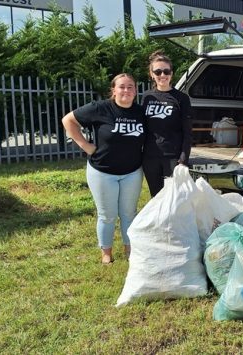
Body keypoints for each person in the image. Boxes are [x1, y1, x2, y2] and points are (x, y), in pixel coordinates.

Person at [61, 73, 145, 264]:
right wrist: (85, 145)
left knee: (129, 213)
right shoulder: (100, 108)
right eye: (122, 87)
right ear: (113, 90)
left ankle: (130, 250)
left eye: (130, 87)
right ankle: (106, 253)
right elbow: (68, 120)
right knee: (107, 215)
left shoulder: (140, 112)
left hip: (132, 171)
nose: (126, 90)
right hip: (102, 172)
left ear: (135, 91)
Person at [141, 50, 193, 197]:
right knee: (156, 197)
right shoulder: (146, 97)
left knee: (173, 197)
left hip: (173, 157)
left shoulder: (181, 98)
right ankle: (159, 221)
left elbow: (187, 132)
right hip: (150, 157)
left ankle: (174, 221)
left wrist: (183, 159)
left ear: (171, 73)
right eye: (158, 72)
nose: (162, 75)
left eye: (166, 71)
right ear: (152, 74)